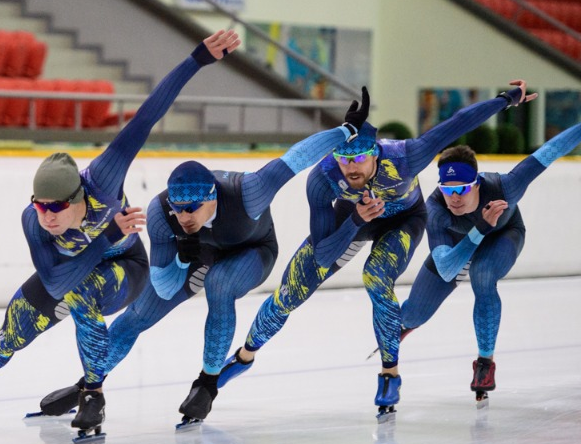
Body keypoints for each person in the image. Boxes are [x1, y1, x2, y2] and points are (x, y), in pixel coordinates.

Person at [0, 30, 243, 434]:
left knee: (84, 295)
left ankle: (92, 394)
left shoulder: (104, 177)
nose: (47, 216)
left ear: (79, 196)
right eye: (40, 205)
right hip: (78, 265)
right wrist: (104, 237)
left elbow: (148, 115)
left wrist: (197, 59)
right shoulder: (33, 221)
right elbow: (55, 280)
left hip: (125, 268)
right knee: (12, 331)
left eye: (56, 207)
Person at [186, 80, 538, 425]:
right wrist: (355, 220)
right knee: (289, 293)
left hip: (403, 220)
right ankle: (245, 356)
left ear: (375, 152)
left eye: (359, 158)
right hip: (353, 219)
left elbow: (457, 123)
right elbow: (323, 256)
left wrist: (504, 101)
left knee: (376, 277)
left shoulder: (406, 156)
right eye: (344, 158)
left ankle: (389, 373)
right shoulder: (323, 178)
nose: (351, 167)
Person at [33, 88, 372, 420]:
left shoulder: (249, 192)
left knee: (220, 285)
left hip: (252, 250)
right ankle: (88, 387)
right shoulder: (160, 214)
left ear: (214, 198)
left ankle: (208, 383)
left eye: (193, 209)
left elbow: (295, 159)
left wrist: (346, 130)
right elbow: (164, 287)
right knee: (137, 315)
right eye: (179, 209)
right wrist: (183, 257)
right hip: (199, 256)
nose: (185, 217)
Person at [398, 98, 581, 404]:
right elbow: (446, 269)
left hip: (502, 236)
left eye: (461, 189)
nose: (454, 197)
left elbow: (549, 151)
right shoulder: (436, 209)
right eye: (447, 189)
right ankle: (407, 324)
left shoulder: (506, 187)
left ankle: (485, 363)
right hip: (461, 245)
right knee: (413, 313)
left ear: (477, 183)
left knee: (482, 275)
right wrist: (479, 226)